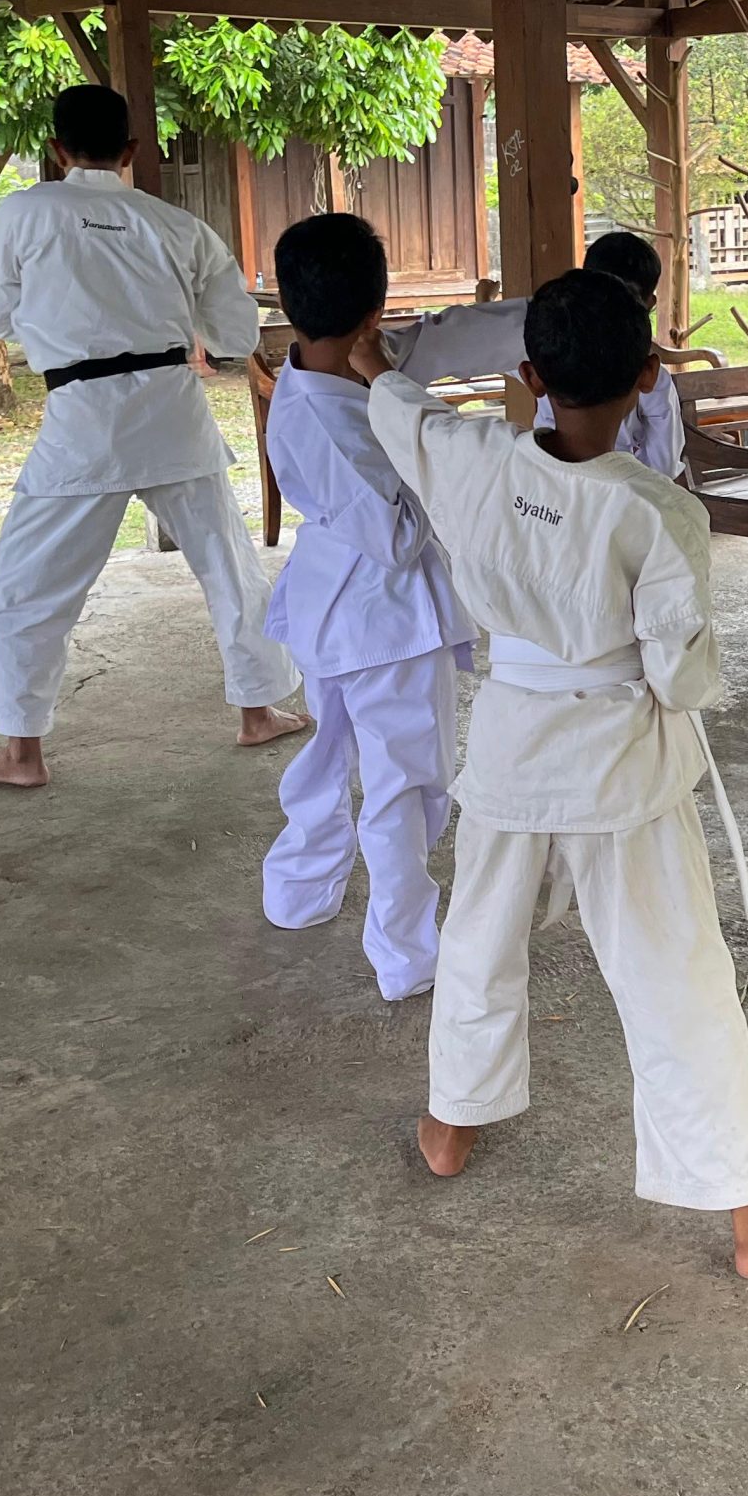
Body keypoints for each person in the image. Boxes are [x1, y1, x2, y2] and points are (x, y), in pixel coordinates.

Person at [360, 269, 748, 1279]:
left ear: (530, 376)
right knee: (677, 980)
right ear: (648, 376)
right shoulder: (658, 511)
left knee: (479, 941)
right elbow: (678, 673)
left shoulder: (472, 460)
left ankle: (450, 1125)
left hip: (509, 748)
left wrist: (369, 358)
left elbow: (403, 410)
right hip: (622, 771)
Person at [0, 86, 303, 788]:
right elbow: (237, 335)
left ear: (56, 150)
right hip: (172, 411)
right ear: (132, 151)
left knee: (28, 584)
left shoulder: (23, 215)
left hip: (82, 418)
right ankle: (258, 710)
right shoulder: (177, 226)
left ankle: (22, 753)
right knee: (230, 567)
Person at [258, 214, 472, 1001]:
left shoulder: (312, 377)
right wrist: (431, 438)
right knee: (403, 787)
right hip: (385, 622)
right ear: (375, 312)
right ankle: (407, 955)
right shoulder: (328, 412)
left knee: (332, 758)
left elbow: (448, 338)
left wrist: (388, 378)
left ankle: (299, 892)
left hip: (336, 611)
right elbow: (397, 534)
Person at [383, 232, 691, 478]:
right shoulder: (546, 333)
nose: (605, 315)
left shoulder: (548, 340)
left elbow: (661, 468)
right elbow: (662, 466)